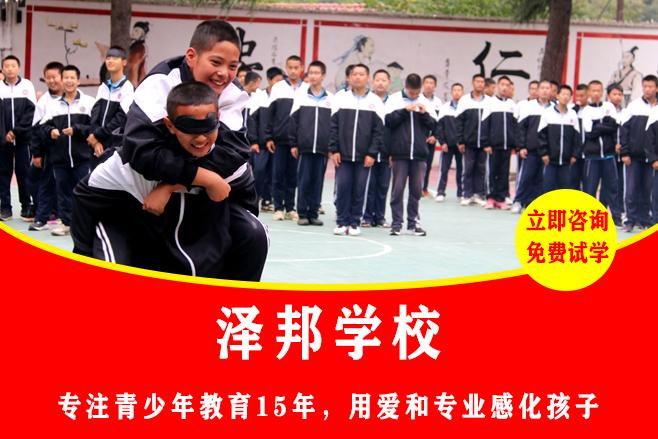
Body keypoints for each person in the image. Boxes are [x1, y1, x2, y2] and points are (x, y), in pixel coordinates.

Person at [117, 19, 268, 282]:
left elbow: (231, 155)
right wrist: (200, 177)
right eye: (216, 62)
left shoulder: (233, 93)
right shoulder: (160, 84)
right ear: (191, 56)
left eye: (233, 66)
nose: (224, 74)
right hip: (146, 194)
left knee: (254, 236)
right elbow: (142, 151)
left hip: (209, 196)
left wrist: (172, 184)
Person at [72, 81, 257, 278]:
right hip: (132, 233)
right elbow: (84, 194)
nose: (201, 138)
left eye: (207, 128)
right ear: (170, 125)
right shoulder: (139, 162)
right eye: (190, 128)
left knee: (255, 234)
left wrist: (174, 185)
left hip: (195, 241)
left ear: (219, 118)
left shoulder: (229, 162)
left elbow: (248, 202)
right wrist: (83, 254)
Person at [38, 65, 96, 237]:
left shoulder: (89, 102)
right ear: (62, 81)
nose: (69, 81)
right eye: (66, 78)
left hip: (83, 158)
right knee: (63, 192)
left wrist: (77, 130)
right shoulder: (53, 105)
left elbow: (95, 127)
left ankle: (85, 226)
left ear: (78, 81)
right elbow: (42, 127)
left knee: (84, 192)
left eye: (72, 78)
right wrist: (50, 131)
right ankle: (66, 223)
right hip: (60, 158)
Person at [329, 63, 384, 236]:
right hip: (342, 155)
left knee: (360, 190)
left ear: (367, 78)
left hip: (364, 157)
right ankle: (341, 222)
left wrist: (372, 153)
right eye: (354, 74)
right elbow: (333, 126)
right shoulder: (340, 98)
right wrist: (334, 150)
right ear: (349, 77)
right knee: (343, 188)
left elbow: (378, 131)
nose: (358, 77)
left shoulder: (375, 101)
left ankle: (354, 223)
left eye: (361, 74)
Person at [385, 73, 435, 236]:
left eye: (416, 92)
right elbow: (388, 121)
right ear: (405, 87)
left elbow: (435, 125)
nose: (414, 95)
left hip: (419, 154)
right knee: (397, 190)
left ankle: (413, 223)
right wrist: (404, 111)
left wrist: (424, 114)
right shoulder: (394, 99)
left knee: (416, 191)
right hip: (400, 153)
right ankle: (396, 223)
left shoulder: (425, 101)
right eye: (411, 92)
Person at [289, 60, 333, 226]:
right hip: (304, 147)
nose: (313, 76)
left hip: (322, 148)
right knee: (304, 181)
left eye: (317, 73)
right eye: (311, 73)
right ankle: (302, 213)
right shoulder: (301, 96)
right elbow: (293, 121)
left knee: (318, 182)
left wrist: (331, 146)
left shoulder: (331, 99)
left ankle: (313, 213)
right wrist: (294, 143)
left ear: (323, 75)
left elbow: (334, 125)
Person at [266, 55, 306, 221]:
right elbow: (270, 114)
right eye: (290, 67)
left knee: (293, 176)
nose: (293, 71)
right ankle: (278, 208)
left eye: (296, 67)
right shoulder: (278, 87)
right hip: (280, 140)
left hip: (299, 142)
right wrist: (269, 137)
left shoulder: (307, 89)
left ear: (302, 68)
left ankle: (290, 208)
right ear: (286, 68)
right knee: (278, 175)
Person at [28, 61, 65, 231]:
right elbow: (36, 129)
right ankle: (41, 217)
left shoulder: (75, 98)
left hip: (70, 151)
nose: (51, 81)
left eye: (54, 77)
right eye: (48, 78)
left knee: (67, 184)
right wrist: (36, 153)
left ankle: (66, 218)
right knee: (45, 183)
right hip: (49, 151)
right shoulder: (43, 101)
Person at [0, 55, 37, 222]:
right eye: (6, 66)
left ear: (19, 68)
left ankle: (26, 206)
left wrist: (15, 132)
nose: (10, 69)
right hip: (3, 140)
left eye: (13, 65)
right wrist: (4, 134)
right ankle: (5, 208)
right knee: (3, 173)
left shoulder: (27, 85)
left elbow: (31, 113)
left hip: (23, 139)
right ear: (2, 69)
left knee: (24, 173)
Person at [581, 80, 622, 227]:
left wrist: (597, 126)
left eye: (599, 90)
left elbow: (614, 127)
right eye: (593, 91)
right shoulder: (586, 111)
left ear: (602, 92)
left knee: (613, 188)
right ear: (589, 93)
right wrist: (604, 126)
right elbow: (589, 133)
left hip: (609, 156)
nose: (596, 93)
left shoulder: (609, 107)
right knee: (590, 189)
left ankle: (616, 218)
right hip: (592, 157)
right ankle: (590, 219)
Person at [619, 75, 658, 232]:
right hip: (634, 156)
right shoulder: (634, 106)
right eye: (645, 86)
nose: (647, 89)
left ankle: (644, 220)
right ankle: (630, 219)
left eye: (650, 86)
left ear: (656, 88)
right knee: (631, 189)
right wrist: (625, 152)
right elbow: (624, 130)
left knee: (648, 190)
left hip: (652, 159)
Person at [87, 46, 134, 166]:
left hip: (114, 146)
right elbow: (94, 115)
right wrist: (95, 140)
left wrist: (96, 136)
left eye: (115, 58)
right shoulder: (103, 87)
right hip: (96, 145)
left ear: (124, 62)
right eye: (108, 58)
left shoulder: (127, 88)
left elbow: (120, 119)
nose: (110, 61)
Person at [512, 79, 553, 213]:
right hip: (530, 150)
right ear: (538, 90)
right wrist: (521, 147)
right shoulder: (528, 106)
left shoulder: (554, 108)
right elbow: (521, 128)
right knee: (526, 177)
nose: (545, 91)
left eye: (548, 88)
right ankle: (518, 201)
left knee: (541, 179)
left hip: (547, 151)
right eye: (542, 88)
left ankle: (533, 204)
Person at [248, 66, 283, 212]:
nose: (280, 84)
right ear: (269, 80)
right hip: (261, 144)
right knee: (259, 172)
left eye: (281, 81)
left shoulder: (282, 98)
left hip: (277, 144)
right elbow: (252, 120)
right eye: (277, 81)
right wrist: (254, 141)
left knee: (273, 174)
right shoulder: (259, 96)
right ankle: (254, 199)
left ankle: (267, 200)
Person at [537, 85, 581, 191]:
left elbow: (577, 137)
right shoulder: (548, 112)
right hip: (550, 159)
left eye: (568, 95)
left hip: (567, 160)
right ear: (557, 96)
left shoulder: (572, 114)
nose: (565, 97)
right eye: (563, 94)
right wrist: (544, 153)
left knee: (565, 189)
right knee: (548, 187)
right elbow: (541, 135)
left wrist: (575, 154)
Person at [363, 68, 391, 228]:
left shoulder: (393, 103)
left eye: (384, 80)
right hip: (369, 152)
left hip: (387, 154)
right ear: (372, 82)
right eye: (378, 80)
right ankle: (367, 217)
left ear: (389, 83)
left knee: (383, 186)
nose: (380, 83)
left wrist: (393, 152)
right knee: (369, 186)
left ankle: (380, 217)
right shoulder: (368, 100)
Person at [482, 75, 516, 210]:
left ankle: (501, 199)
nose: (505, 88)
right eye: (502, 85)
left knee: (504, 173)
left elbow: (515, 126)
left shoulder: (512, 105)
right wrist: (486, 143)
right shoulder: (490, 103)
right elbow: (484, 124)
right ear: (497, 86)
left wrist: (514, 144)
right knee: (492, 172)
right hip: (493, 146)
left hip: (507, 146)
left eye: (507, 85)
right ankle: (490, 198)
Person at [456, 73, 490, 207]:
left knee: (481, 169)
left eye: (482, 82)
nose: (480, 84)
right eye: (477, 81)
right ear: (472, 83)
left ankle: (479, 194)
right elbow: (459, 122)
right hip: (469, 142)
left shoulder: (489, 101)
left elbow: (491, 124)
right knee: (468, 169)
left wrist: (489, 142)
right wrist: (460, 141)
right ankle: (467, 194)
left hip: (484, 143)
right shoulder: (464, 100)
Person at [435, 83, 464, 202]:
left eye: (459, 90)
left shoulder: (465, 107)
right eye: (455, 90)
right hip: (447, 145)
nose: (457, 92)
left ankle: (461, 193)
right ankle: (440, 192)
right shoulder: (445, 107)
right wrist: (442, 142)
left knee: (461, 170)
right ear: (451, 92)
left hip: (461, 145)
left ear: (462, 92)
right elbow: (439, 127)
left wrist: (463, 142)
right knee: (443, 169)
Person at [420, 74, 442, 197]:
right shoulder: (418, 99)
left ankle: (424, 188)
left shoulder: (438, 102)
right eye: (427, 82)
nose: (429, 85)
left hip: (431, 140)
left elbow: (439, 123)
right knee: (418, 165)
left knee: (428, 165)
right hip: (420, 139)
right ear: (423, 84)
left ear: (435, 86)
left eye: (431, 83)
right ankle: (417, 187)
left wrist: (435, 136)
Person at [570, 83, 589, 190]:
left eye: (582, 96)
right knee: (573, 182)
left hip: (588, 152)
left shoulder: (591, 110)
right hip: (574, 153)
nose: (579, 98)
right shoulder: (572, 111)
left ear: (587, 95)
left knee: (587, 182)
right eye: (577, 96)